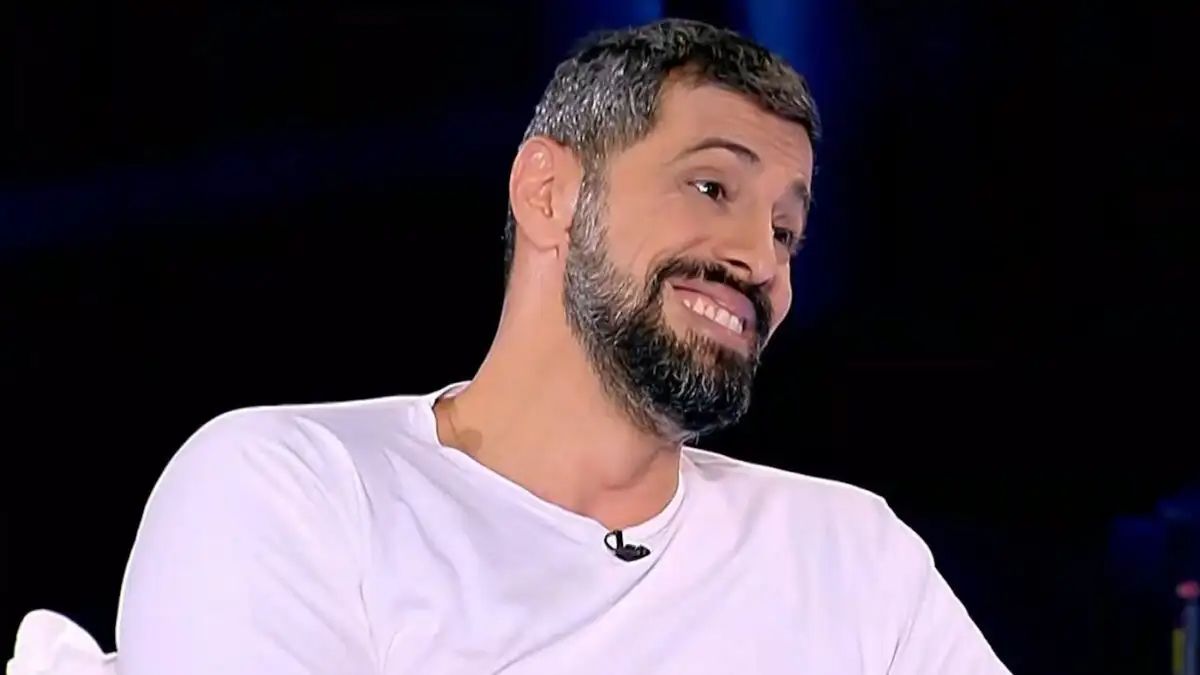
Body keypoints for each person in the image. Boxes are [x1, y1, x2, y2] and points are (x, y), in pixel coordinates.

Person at [116, 18, 1011, 675]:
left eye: (787, 231)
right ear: (548, 193)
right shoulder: (295, 486)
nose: (759, 260)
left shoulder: (853, 554)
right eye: (710, 187)